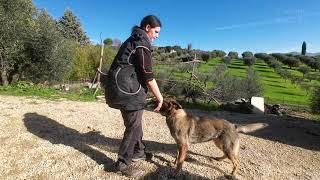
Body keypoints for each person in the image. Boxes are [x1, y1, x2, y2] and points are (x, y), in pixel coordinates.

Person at [104, 15, 163, 177]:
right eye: (156, 32)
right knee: (133, 126)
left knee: (135, 123)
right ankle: (123, 164)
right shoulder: (141, 44)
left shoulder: (134, 39)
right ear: (147, 28)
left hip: (124, 89)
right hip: (127, 92)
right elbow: (148, 76)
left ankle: (139, 152)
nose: (157, 36)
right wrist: (160, 97)